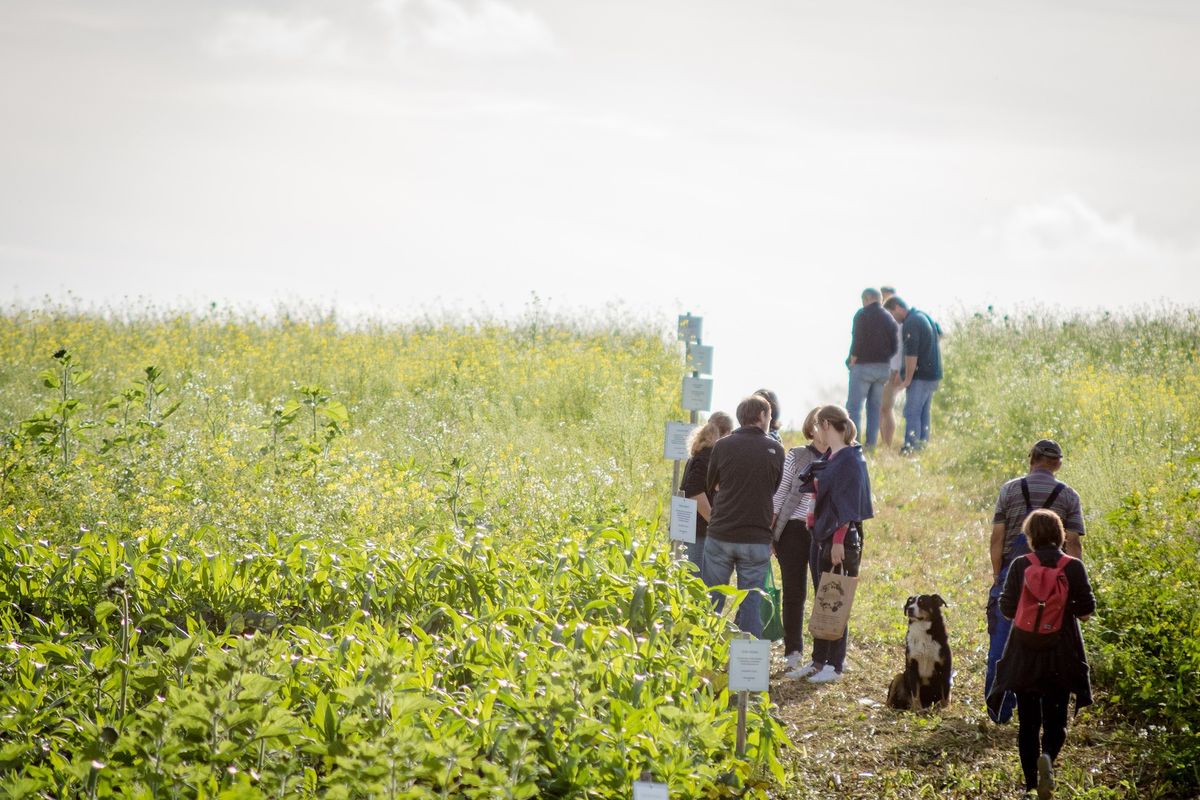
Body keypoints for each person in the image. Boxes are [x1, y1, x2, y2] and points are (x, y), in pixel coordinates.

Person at [988, 509, 1094, 798]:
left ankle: (1031, 786)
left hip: (1024, 655)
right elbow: (1086, 612)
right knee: (1056, 720)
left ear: (1031, 537)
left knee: (1028, 723)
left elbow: (1007, 609)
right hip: (1062, 655)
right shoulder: (1072, 567)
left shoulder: (1021, 564)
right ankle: (1048, 755)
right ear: (1061, 535)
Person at [986, 439, 1086, 723]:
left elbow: (997, 539)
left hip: (1013, 574)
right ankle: (1045, 708)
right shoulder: (1069, 496)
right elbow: (1074, 544)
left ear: (1032, 459)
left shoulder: (1010, 489)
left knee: (1002, 641)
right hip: (1057, 579)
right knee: (1051, 640)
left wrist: (997, 576)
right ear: (1057, 464)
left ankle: (999, 710)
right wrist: (1075, 580)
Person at [800, 405, 873, 683]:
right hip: (822, 537)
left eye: (818, 425)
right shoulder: (833, 457)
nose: (816, 431)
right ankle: (818, 661)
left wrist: (839, 542)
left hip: (840, 540)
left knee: (836, 598)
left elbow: (849, 506)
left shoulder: (851, 460)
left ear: (827, 425)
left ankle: (834, 664)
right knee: (822, 598)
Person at [703, 394, 785, 637]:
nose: (770, 419)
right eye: (769, 415)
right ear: (761, 416)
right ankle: (747, 667)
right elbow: (775, 487)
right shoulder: (776, 449)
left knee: (711, 600)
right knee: (751, 605)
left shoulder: (722, 445)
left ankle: (703, 653)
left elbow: (712, 483)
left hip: (721, 534)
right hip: (756, 537)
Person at [770, 407, 825, 676]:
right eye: (818, 424)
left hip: (823, 531)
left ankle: (824, 655)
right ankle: (793, 652)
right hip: (793, 529)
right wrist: (770, 532)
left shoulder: (840, 457)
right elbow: (780, 494)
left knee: (823, 592)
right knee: (794, 593)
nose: (823, 430)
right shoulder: (797, 455)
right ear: (811, 427)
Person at [883, 296, 942, 452]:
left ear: (897, 307)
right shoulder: (923, 316)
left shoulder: (911, 323)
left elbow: (911, 354)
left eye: (892, 314)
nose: (893, 320)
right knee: (923, 412)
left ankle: (911, 447)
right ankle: (922, 445)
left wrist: (907, 378)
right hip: (932, 374)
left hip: (920, 376)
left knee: (911, 412)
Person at [679, 411, 734, 574]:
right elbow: (695, 492)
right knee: (696, 581)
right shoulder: (708, 456)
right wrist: (713, 520)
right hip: (699, 531)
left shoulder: (701, 453)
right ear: (726, 434)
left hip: (692, 528)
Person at [845, 288, 900, 449]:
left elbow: (858, 340)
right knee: (874, 408)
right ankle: (871, 444)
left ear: (866, 299)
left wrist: (852, 359)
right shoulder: (889, 318)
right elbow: (895, 345)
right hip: (883, 368)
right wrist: (884, 358)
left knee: (854, 407)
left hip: (863, 366)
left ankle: (853, 444)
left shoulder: (862, 315)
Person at [879, 285, 902, 449]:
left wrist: (897, 370)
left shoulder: (897, 322)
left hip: (892, 371)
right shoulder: (885, 320)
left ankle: (887, 444)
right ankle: (884, 442)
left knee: (885, 408)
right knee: (882, 408)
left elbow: (899, 350)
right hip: (885, 369)